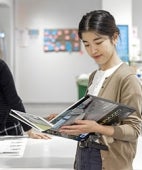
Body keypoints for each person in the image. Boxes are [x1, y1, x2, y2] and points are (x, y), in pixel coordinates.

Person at [56, 10, 142, 170]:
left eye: (98, 42)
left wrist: (97, 128)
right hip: (84, 156)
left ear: (114, 37)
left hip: (109, 161)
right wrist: (65, 120)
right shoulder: (94, 76)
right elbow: (91, 118)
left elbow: (134, 130)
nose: (92, 50)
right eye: (86, 44)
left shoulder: (127, 79)